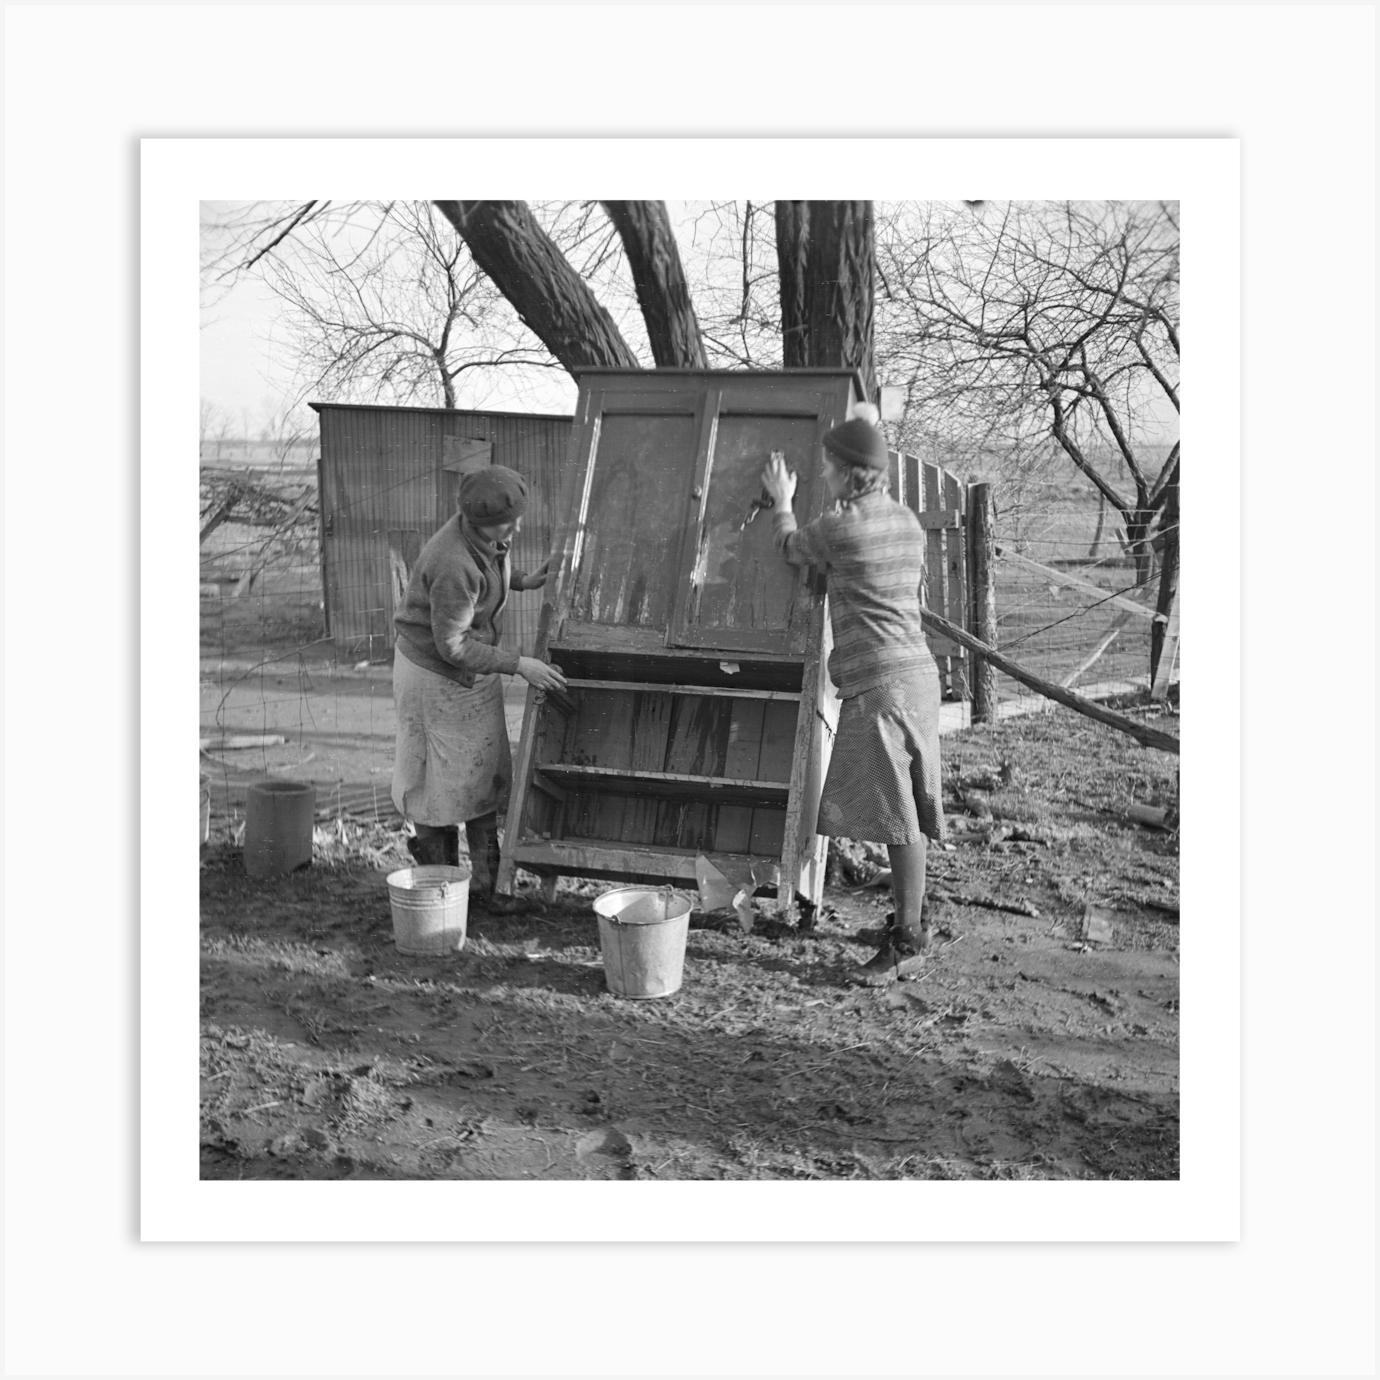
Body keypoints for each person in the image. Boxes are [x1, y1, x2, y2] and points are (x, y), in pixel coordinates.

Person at [760, 402, 947, 985]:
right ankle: (910, 920)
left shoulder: (843, 528)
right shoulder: (906, 522)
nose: (826, 474)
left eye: (829, 467)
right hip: (916, 677)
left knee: (898, 820)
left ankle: (908, 940)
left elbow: (792, 548)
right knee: (905, 811)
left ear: (845, 473)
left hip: (881, 687)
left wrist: (783, 501)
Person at [391, 464, 567, 911]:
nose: (518, 527)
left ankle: (488, 886)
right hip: (435, 677)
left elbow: (493, 565)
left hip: (471, 669)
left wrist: (524, 580)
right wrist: (517, 664)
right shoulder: (452, 562)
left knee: (483, 775)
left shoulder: (483, 537)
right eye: (509, 522)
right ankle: (440, 888)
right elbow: (451, 645)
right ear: (477, 520)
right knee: (437, 785)